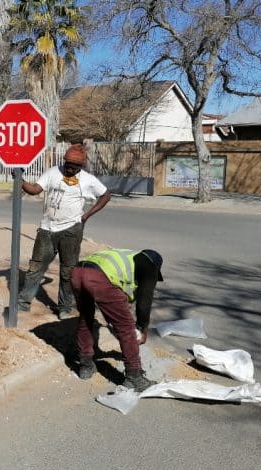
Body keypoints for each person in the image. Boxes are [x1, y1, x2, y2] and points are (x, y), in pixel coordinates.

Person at [17, 143, 111, 319]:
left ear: (80, 167)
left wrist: (86, 216)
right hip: (47, 229)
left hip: (71, 231)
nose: (69, 169)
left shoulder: (88, 180)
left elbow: (106, 195)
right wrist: (20, 180)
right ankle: (23, 303)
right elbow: (35, 190)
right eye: (67, 165)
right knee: (35, 267)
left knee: (68, 271)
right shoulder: (52, 172)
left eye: (74, 167)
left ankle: (64, 308)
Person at [70, 248, 164, 391]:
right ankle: (134, 377)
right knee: (126, 328)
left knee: (85, 318)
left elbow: (117, 293)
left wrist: (112, 320)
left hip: (77, 272)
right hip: (98, 277)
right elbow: (144, 303)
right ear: (156, 268)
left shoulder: (129, 256)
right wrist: (143, 329)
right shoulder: (150, 266)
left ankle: (86, 366)